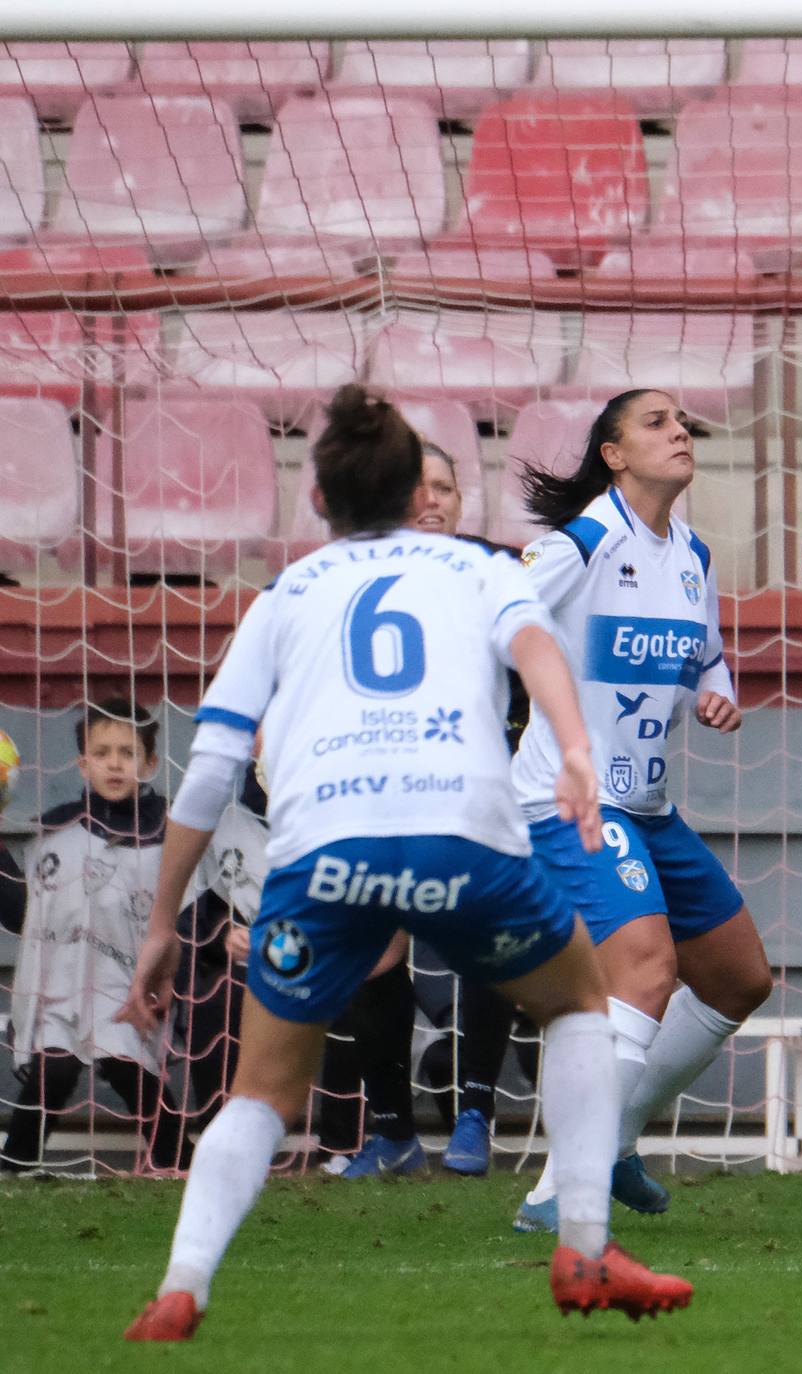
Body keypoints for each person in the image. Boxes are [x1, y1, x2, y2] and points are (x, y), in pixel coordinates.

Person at [117, 386, 692, 1341]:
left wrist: (160, 925)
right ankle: (585, 1250)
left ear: (318, 504)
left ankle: (182, 1285)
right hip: (460, 838)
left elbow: (212, 769)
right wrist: (575, 747)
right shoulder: (477, 565)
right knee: (579, 1005)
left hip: (323, 856)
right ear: (413, 489)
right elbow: (538, 646)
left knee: (262, 1090)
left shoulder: (284, 594)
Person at [507, 389, 773, 1235]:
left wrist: (716, 694)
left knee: (739, 977)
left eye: (683, 422)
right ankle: (559, 1187)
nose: (678, 432)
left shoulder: (690, 552)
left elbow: (707, 656)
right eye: (656, 423)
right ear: (614, 454)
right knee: (646, 970)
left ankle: (615, 1136)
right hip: (571, 799)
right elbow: (496, 612)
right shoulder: (578, 543)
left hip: (647, 806)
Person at [336, 443, 525, 1180]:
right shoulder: (351, 574)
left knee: (485, 939)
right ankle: (393, 1133)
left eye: (446, 486)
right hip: (379, 787)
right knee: (371, 951)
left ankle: (473, 1116)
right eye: (419, 487)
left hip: (479, 788)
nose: (435, 499)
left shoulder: (496, 568)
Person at [2, 700, 189, 1174]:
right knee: (55, 1067)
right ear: (82, 763)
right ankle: (16, 1166)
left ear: (149, 763)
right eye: (101, 752)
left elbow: (191, 911)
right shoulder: (56, 829)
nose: (113, 762)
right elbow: (24, 913)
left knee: (130, 1070)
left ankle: (178, 1160)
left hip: (132, 981)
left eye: (127, 752)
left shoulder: (171, 833)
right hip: (61, 983)